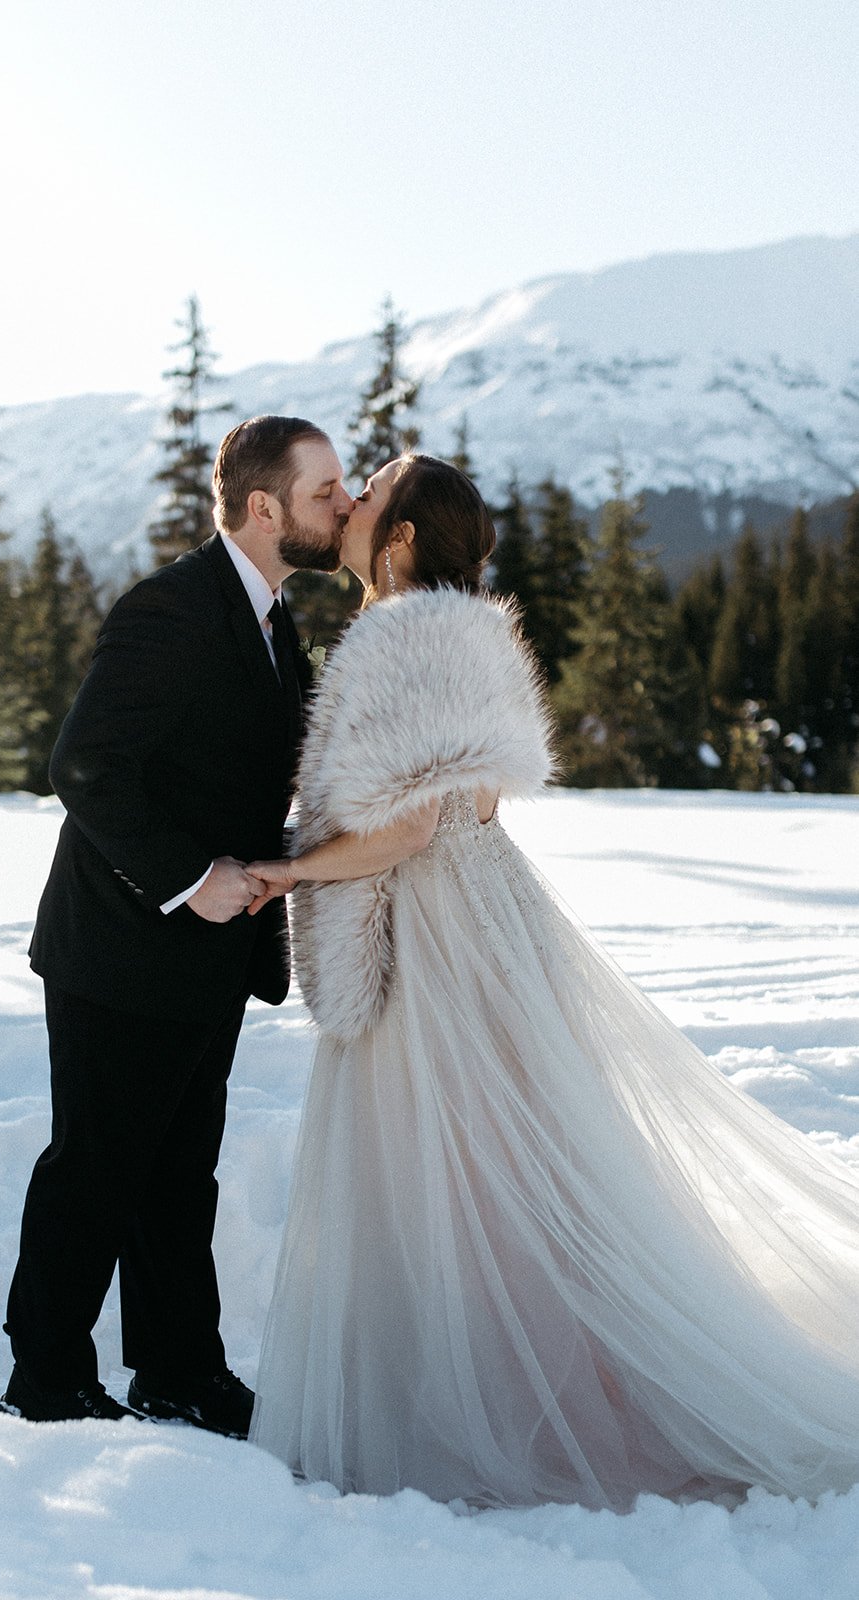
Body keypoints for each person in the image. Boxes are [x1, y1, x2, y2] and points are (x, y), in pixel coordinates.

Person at [245, 453, 859, 1510]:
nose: (348, 500)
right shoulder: (472, 628)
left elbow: (405, 826)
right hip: (492, 918)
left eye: (371, 488)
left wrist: (286, 870)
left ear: (395, 540)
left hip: (432, 933)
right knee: (514, 1164)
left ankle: (482, 1405)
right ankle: (546, 1377)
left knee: (450, 1171)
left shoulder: (399, 632)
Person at [0, 415, 353, 1429]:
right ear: (262, 507)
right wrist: (188, 877)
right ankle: (47, 1379)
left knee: (176, 1174)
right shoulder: (171, 609)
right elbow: (84, 766)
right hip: (121, 945)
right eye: (324, 490)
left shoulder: (272, 619)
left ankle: (176, 1370)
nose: (341, 505)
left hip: (206, 954)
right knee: (97, 1166)